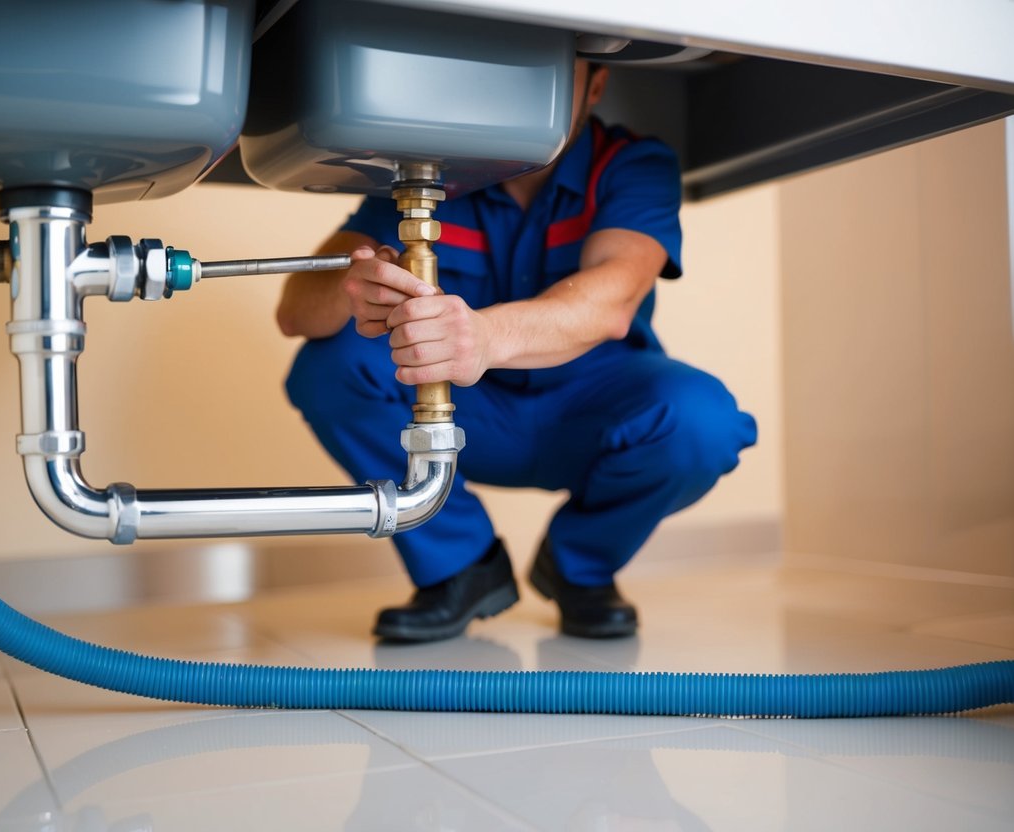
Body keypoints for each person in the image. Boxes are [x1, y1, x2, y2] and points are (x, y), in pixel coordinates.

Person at [276, 60, 758, 642]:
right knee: (331, 368)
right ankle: (462, 566)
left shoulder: (630, 164)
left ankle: (579, 567)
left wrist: (484, 338)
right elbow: (295, 311)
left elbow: (610, 300)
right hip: (465, 414)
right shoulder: (427, 172)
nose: (530, 84)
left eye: (555, 69)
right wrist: (353, 290)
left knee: (701, 422)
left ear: (597, 85)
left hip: (594, 411)